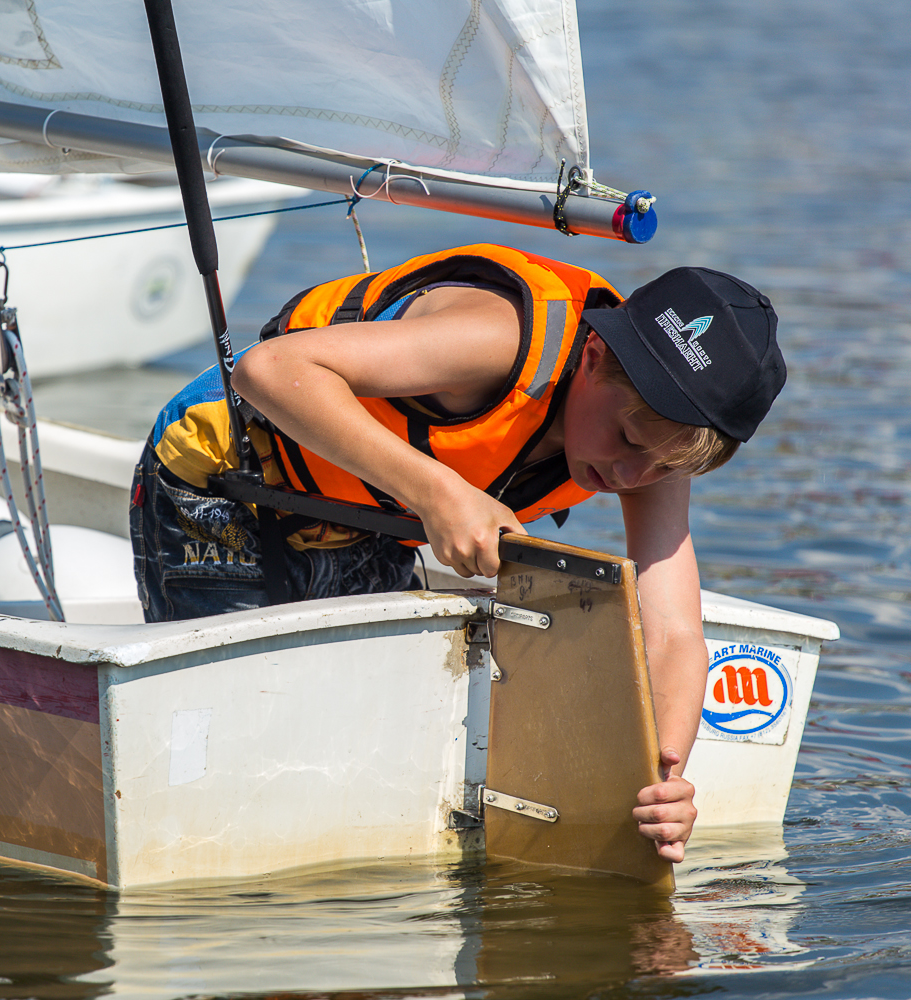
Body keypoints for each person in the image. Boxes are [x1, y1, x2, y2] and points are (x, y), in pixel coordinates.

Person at [130, 243, 786, 861]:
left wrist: (666, 775)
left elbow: (671, 630)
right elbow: (268, 369)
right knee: (234, 731)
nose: (634, 477)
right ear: (592, 356)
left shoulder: (657, 441)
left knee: (348, 743)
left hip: (364, 519)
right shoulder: (499, 339)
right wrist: (438, 494)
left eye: (664, 466)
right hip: (222, 480)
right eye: (626, 439)